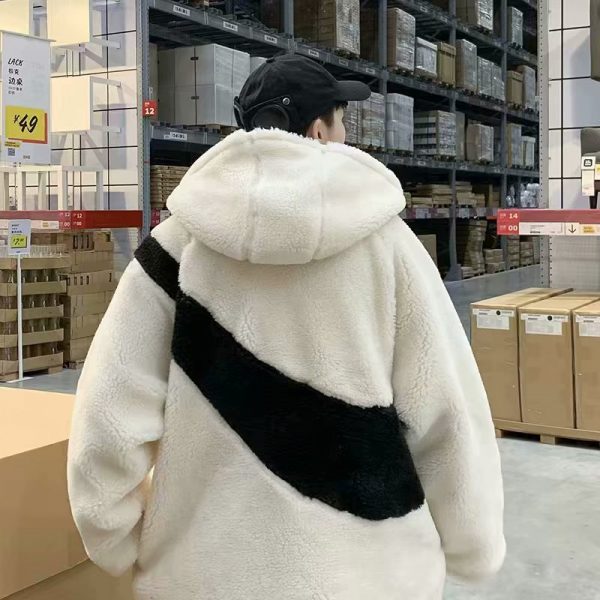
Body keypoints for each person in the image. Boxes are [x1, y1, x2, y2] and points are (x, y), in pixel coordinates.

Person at [68, 54, 505, 600]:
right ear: (319, 129)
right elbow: (446, 410)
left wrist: (111, 536)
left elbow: (109, 411)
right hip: (370, 576)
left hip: (206, 576)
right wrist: (472, 544)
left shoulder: (174, 250)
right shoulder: (390, 248)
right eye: (340, 121)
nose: (344, 135)